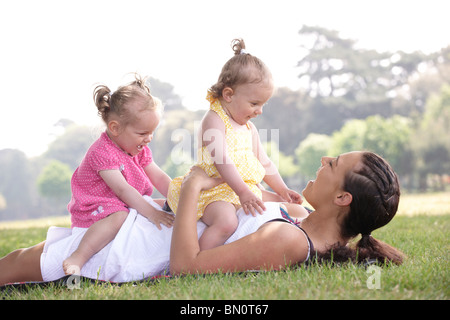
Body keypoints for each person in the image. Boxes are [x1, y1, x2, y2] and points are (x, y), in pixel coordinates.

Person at [0, 151, 404, 286]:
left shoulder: (290, 241)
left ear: (342, 196)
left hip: (130, 251)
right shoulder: (296, 214)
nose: (323, 160)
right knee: (17, 258)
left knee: (16, 265)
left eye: (332, 163)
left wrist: (193, 186)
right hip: (144, 221)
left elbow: (186, 267)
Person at [166, 39, 302, 250]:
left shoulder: (249, 128)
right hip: (215, 191)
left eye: (263, 104)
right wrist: (242, 192)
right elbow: (222, 161)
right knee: (227, 222)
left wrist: (282, 189)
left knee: (281, 205)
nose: (259, 111)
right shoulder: (214, 120)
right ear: (228, 95)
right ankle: (197, 262)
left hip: (243, 188)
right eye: (254, 103)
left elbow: (264, 163)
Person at [61, 74, 174, 275]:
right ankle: (78, 257)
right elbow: (123, 190)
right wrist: (152, 214)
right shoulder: (101, 152)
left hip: (122, 201)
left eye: (151, 132)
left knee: (161, 203)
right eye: (142, 133)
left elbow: (159, 177)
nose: (148, 139)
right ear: (115, 128)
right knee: (121, 215)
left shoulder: (138, 149)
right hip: (97, 206)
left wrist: (179, 196)